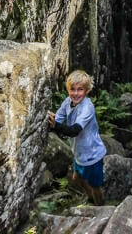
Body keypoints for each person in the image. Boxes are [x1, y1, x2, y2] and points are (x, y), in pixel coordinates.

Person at [48, 70, 106, 205]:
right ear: (68, 90)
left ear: (86, 91)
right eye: (72, 89)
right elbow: (59, 118)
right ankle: (90, 197)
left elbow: (75, 130)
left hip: (92, 154)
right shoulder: (68, 101)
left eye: (80, 89)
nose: (75, 93)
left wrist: (55, 126)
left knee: (95, 185)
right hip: (79, 152)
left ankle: (99, 206)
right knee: (77, 178)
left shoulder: (87, 107)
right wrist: (51, 119)